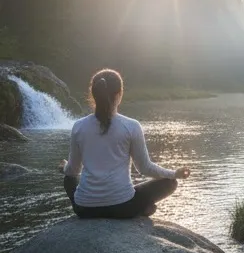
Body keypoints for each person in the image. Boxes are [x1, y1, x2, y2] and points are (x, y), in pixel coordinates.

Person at [59, 68, 191, 219]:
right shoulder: (131, 126)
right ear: (119, 94)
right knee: (170, 183)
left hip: (84, 209)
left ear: (93, 94)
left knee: (68, 179)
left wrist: (64, 167)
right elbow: (144, 168)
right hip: (123, 209)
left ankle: (140, 207)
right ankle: (142, 209)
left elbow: (72, 171)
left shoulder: (78, 126)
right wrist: (174, 174)